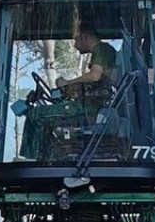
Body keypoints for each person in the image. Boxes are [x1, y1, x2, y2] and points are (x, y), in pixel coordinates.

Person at [17, 21, 118, 161]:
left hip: (90, 108)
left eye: (76, 39)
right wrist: (73, 90)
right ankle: (47, 157)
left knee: (36, 114)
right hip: (91, 106)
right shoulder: (103, 51)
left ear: (85, 36)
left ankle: (31, 163)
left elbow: (95, 76)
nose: (76, 45)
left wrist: (67, 82)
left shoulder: (102, 49)